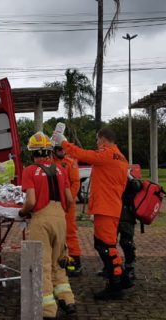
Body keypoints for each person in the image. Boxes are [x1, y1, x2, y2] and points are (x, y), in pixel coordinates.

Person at [52, 127, 129, 300]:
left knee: (105, 247)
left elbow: (83, 154)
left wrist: (63, 141)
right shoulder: (121, 157)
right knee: (107, 246)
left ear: (102, 139)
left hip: (105, 207)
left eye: (97, 140)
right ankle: (121, 278)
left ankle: (115, 285)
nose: (96, 144)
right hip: (111, 206)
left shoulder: (107, 154)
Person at [19, 132, 76, 318]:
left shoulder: (29, 171)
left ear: (32, 153)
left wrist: (22, 212)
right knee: (59, 261)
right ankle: (67, 299)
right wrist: (60, 213)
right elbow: (69, 199)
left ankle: (48, 309)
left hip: (41, 220)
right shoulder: (60, 170)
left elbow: (31, 202)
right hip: (60, 217)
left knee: (41, 264)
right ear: (49, 151)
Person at [52, 144, 83, 277]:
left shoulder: (70, 163)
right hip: (54, 203)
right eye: (59, 149)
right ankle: (58, 259)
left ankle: (76, 261)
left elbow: (76, 183)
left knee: (70, 231)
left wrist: (69, 200)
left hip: (68, 204)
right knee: (54, 232)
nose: (62, 151)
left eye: (63, 149)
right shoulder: (50, 163)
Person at [117, 176, 142, 289]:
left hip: (126, 215)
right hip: (113, 213)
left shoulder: (128, 177)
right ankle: (111, 267)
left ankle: (129, 268)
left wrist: (128, 176)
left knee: (127, 242)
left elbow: (137, 186)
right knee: (108, 242)